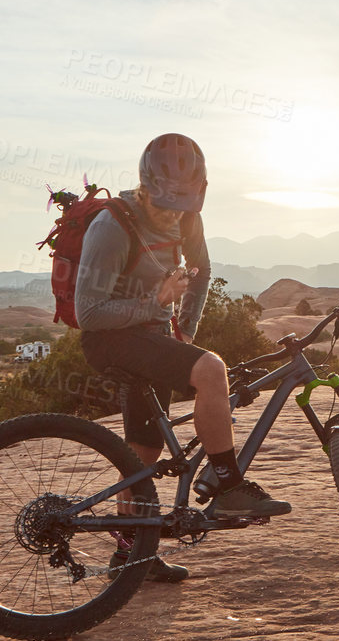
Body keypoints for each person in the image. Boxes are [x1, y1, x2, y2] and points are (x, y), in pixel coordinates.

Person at [74, 132, 289, 583]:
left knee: (143, 453)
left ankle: (133, 554)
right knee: (211, 370)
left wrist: (185, 328)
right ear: (146, 189)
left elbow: (202, 269)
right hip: (109, 339)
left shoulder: (188, 217)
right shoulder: (111, 227)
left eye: (184, 203)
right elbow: (88, 313)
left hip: (151, 335)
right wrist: (156, 304)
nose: (173, 214)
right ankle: (229, 486)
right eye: (165, 203)